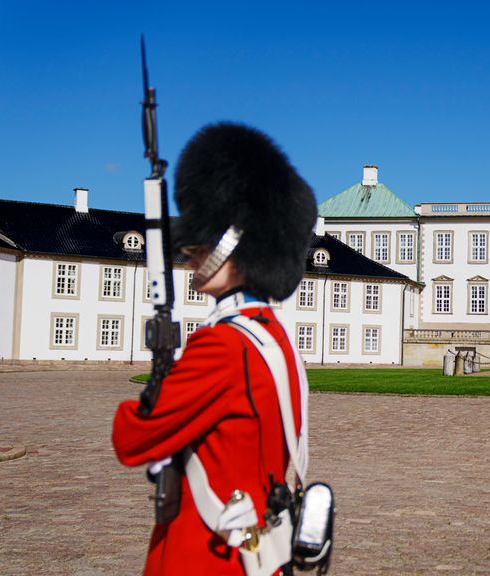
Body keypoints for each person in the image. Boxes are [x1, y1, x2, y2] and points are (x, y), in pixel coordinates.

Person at [113, 123, 317, 575]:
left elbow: (132, 439)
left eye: (202, 242)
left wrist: (154, 388)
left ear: (235, 244)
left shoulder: (222, 345)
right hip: (259, 548)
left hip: (205, 554)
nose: (190, 255)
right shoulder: (274, 338)